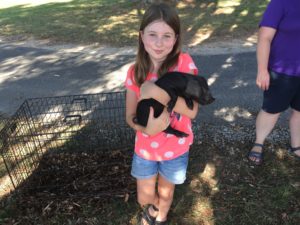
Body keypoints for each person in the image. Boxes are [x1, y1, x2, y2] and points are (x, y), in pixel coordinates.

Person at [125, 3, 199, 225]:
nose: (159, 43)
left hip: (176, 148)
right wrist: (146, 129)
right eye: (152, 34)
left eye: (167, 36)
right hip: (145, 148)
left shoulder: (184, 64)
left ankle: (161, 217)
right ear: (141, 36)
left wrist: (158, 93)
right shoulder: (135, 71)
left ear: (176, 38)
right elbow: (129, 116)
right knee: (144, 196)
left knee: (167, 190)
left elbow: (192, 111)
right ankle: (153, 206)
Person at [248, 0, 300, 165]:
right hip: (281, 72)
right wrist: (262, 70)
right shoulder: (281, 3)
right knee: (272, 111)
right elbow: (265, 38)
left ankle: (296, 144)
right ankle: (259, 142)